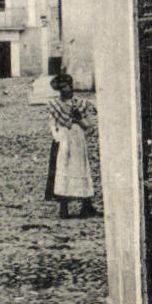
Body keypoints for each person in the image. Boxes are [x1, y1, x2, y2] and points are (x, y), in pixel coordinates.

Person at [47, 72, 95, 218]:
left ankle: (86, 205)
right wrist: (58, 138)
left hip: (78, 139)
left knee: (80, 168)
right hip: (64, 140)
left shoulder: (81, 104)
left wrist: (79, 119)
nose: (66, 90)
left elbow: (90, 126)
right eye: (62, 88)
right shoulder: (54, 105)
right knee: (64, 169)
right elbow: (52, 124)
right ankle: (63, 207)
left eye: (68, 87)